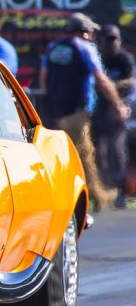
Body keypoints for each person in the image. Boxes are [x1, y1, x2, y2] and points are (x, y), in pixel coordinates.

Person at [40, 12, 129, 210]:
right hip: (77, 110)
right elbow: (101, 78)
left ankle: (73, 194)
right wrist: (118, 104)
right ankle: (95, 195)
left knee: (63, 154)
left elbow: (44, 79)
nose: (92, 37)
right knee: (84, 153)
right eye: (91, 33)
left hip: (56, 112)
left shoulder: (53, 48)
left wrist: (52, 103)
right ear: (85, 32)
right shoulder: (84, 47)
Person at [92, 24, 134, 208]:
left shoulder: (124, 59)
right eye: (108, 40)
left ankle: (120, 192)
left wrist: (110, 87)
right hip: (97, 109)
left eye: (114, 39)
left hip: (118, 110)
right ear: (100, 41)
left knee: (117, 152)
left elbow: (131, 82)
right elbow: (93, 82)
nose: (111, 43)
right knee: (98, 152)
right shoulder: (97, 58)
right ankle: (102, 191)